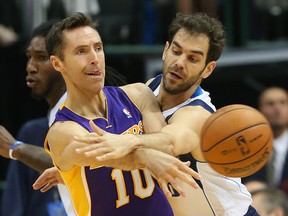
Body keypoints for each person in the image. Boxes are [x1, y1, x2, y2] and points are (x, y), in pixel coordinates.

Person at [35, 12, 258, 215]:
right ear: (165, 50)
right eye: (177, 51)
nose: (180, 63)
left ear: (208, 69)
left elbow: (168, 144)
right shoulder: (147, 90)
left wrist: (127, 143)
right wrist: (78, 167)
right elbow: (130, 158)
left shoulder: (197, 114)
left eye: (193, 58)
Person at [0, 20, 128, 216]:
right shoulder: (57, 112)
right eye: (29, 57)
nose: (31, 67)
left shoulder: (78, 111)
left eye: (40, 58)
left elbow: (79, 160)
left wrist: (14, 148)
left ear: (59, 63)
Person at [243, 87, 288, 195]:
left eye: (283, 102)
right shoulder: (246, 147)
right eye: (270, 103)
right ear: (260, 110)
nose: (277, 108)